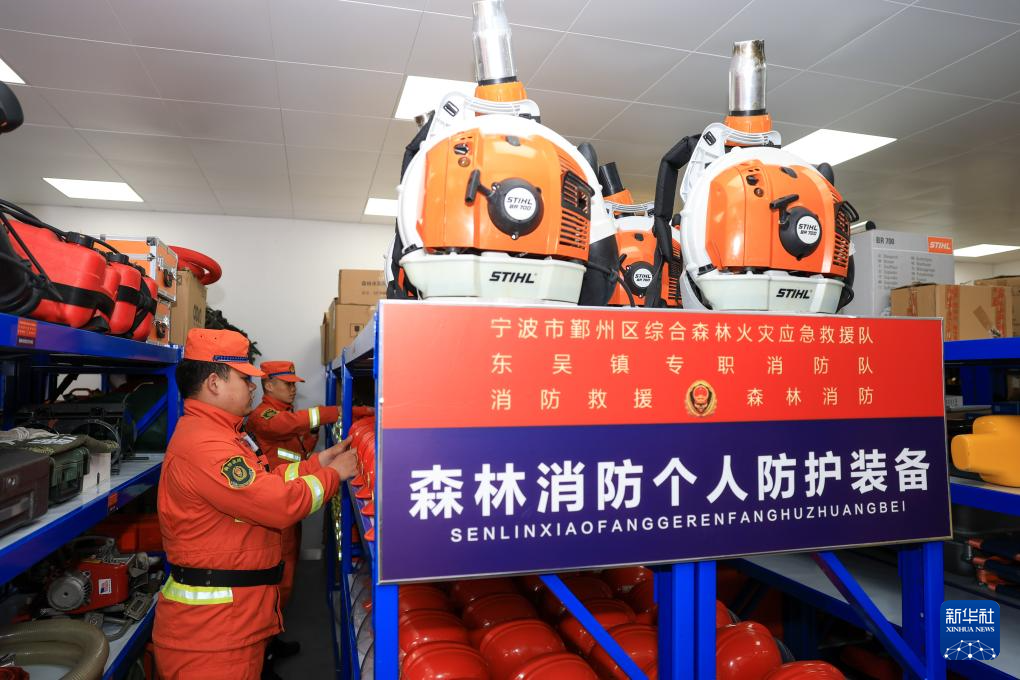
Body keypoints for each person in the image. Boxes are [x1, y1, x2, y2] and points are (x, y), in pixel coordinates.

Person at [153, 329, 357, 680]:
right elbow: (278, 504)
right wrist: (333, 475)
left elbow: (266, 480)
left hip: (231, 621)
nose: (252, 387)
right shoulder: (207, 446)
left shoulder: (221, 433)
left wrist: (318, 463)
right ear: (214, 383)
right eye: (245, 378)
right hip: (213, 635)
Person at [246, 360, 340, 663]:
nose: (292, 389)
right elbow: (284, 426)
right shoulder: (264, 415)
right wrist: (336, 412)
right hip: (276, 505)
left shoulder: (286, 414)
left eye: (294, 384)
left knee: (286, 575)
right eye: (287, 383)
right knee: (279, 580)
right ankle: (263, 653)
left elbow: (298, 448)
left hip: (289, 499)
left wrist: (310, 437)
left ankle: (270, 640)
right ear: (268, 384)